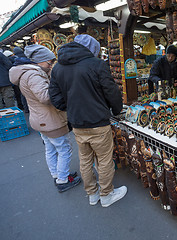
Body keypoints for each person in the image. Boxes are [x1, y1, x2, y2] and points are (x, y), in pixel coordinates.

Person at [49, 34, 127, 207]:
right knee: (104, 160)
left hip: (77, 122)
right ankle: (106, 194)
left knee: (85, 159)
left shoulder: (58, 67)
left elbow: (54, 96)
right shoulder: (97, 64)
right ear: (92, 49)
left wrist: (69, 106)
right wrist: (116, 110)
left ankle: (92, 194)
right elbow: (111, 91)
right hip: (98, 121)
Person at [9, 45, 81, 192]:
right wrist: (62, 88)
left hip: (40, 119)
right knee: (64, 149)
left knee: (51, 148)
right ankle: (63, 180)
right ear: (39, 61)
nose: (51, 65)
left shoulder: (27, 73)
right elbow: (46, 97)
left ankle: (58, 174)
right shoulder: (34, 75)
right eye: (49, 62)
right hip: (50, 120)